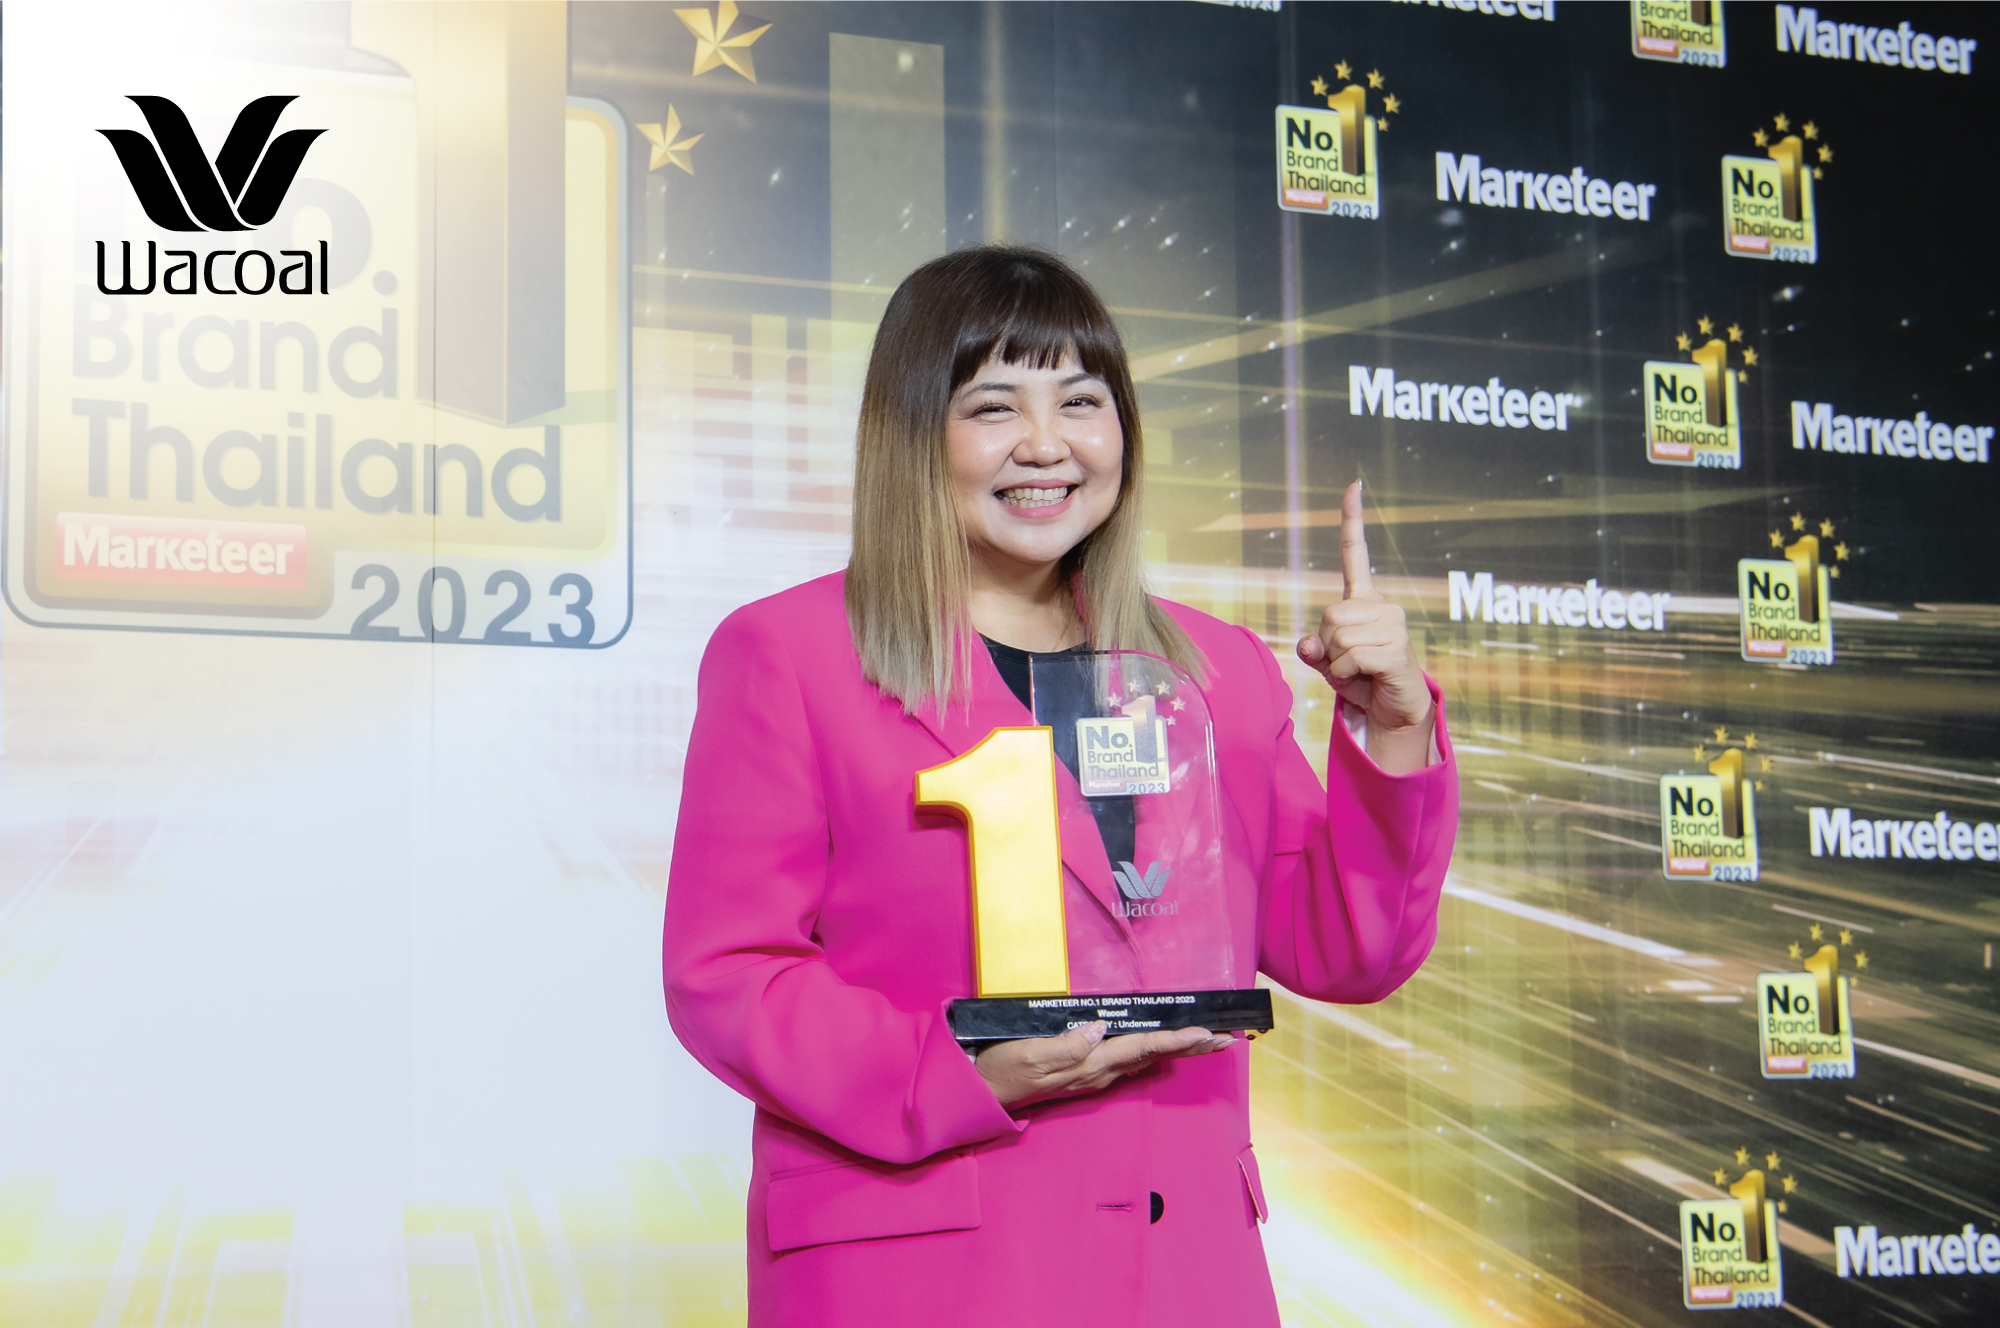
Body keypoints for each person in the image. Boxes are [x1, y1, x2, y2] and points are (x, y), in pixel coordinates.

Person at [662, 246, 1457, 1327]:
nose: (1046, 444)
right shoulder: (790, 654)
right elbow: (728, 973)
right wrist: (950, 1071)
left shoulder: (1216, 671)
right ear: (912, 432)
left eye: (1080, 401)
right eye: (993, 405)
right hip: (920, 1274)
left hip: (1184, 1277)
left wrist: (1392, 726)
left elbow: (1346, 947)